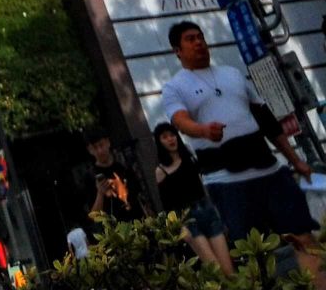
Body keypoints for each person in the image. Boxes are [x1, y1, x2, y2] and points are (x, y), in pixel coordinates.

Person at [162, 20, 322, 285]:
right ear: (177, 50)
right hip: (227, 180)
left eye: (201, 36)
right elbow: (180, 121)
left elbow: (267, 120)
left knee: (303, 235)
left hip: (269, 169)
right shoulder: (175, 87)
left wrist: (296, 160)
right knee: (254, 255)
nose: (199, 42)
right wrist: (202, 130)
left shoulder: (232, 73)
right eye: (191, 39)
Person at [154, 120, 234, 274]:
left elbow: (205, 182)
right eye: (165, 137)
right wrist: (182, 229)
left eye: (172, 135)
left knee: (228, 269)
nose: (170, 139)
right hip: (188, 220)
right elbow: (168, 205)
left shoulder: (190, 157)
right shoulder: (160, 171)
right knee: (215, 270)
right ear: (159, 142)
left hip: (207, 211)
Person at [82, 125, 146, 225]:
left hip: (139, 224)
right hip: (116, 233)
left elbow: (140, 197)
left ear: (108, 142)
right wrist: (100, 193)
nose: (100, 151)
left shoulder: (124, 165)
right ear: (90, 150)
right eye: (95, 148)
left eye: (101, 145)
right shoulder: (90, 177)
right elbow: (93, 217)